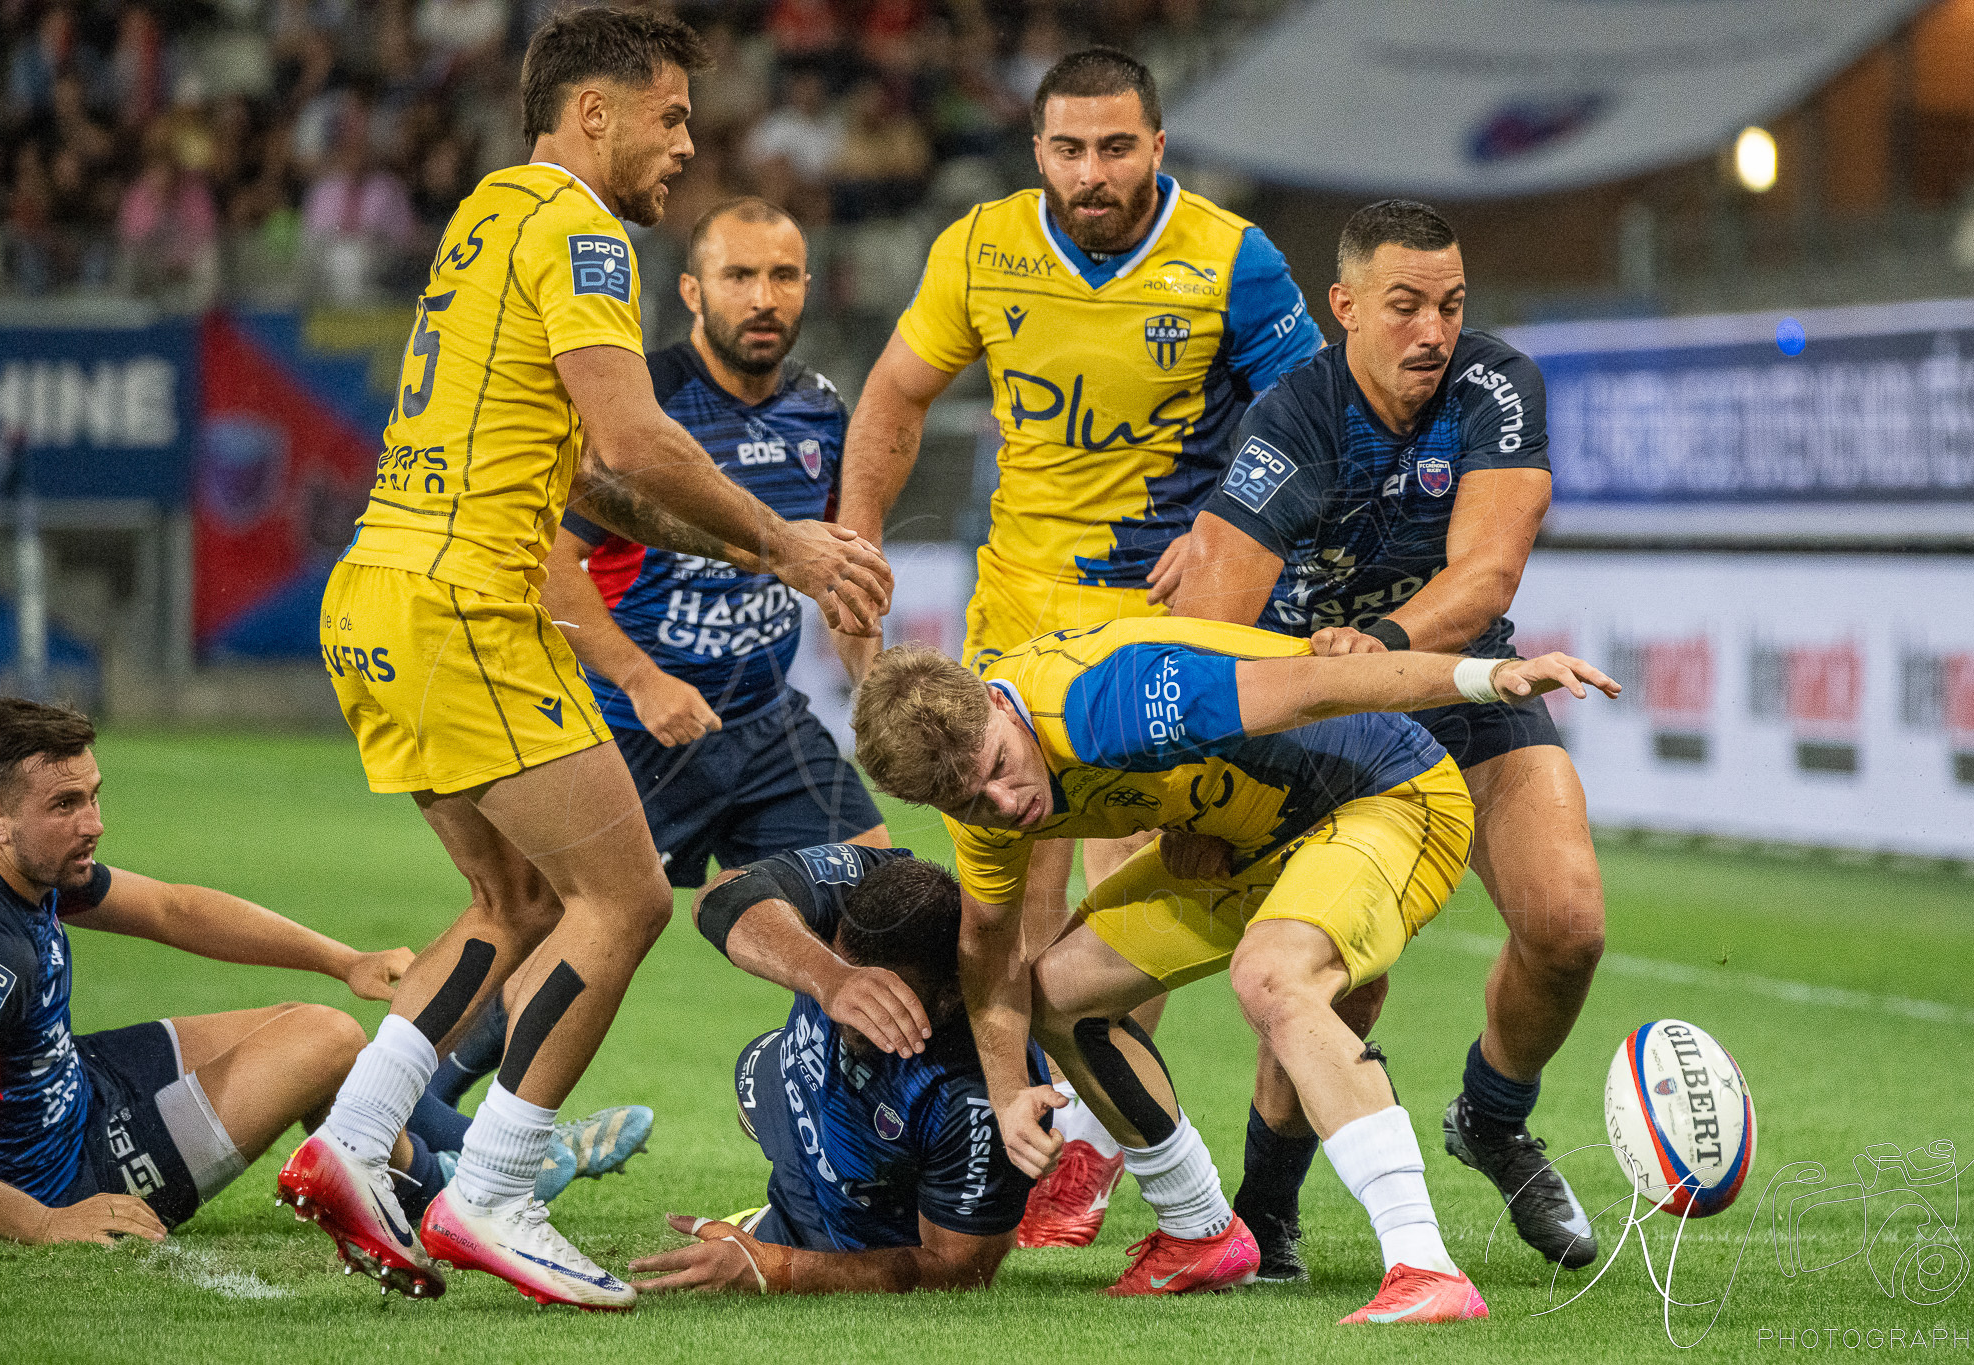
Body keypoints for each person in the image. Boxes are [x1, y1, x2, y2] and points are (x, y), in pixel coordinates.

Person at [281, 8, 891, 1312]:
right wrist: (786, 533)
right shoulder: (579, 227)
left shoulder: (487, 215)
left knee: (514, 907)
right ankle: (491, 1190)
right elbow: (636, 436)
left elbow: (596, 484)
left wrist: (761, 558)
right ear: (594, 111)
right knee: (622, 904)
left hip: (378, 597)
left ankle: (348, 1144)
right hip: (467, 605)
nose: (687, 145)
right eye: (671, 116)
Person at [838, 46, 1322, 1247]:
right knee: (1002, 911)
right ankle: (1041, 1129)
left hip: (1156, 631)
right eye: (1067, 148)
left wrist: (1227, 526)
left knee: (1132, 897)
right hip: (1010, 625)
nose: (1090, 172)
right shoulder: (981, 249)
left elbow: (1314, 423)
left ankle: (1115, 1157)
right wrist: (853, 539)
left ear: (1157, 146)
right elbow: (896, 395)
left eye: (1115, 147)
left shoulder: (1229, 260)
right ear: (1036, 150)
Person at [849, 618, 1619, 1323]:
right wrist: (1011, 1092)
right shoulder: (974, 784)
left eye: (1001, 768)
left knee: (1272, 974)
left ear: (998, 702)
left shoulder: (1109, 700)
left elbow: (1318, 685)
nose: (1005, 803)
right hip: (1244, 838)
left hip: (1386, 794)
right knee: (1056, 997)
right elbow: (989, 954)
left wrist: (1483, 678)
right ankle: (1201, 1232)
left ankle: (1425, 1264)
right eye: (968, 802)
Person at [1149, 200, 1605, 1275]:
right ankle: (1265, 1216)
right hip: (1322, 711)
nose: (1431, 331)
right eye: (1402, 306)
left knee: (1569, 923)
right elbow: (1208, 623)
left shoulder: (1495, 386)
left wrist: (1386, 644)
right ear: (1342, 308)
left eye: (1448, 305)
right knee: (1339, 977)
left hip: (1458, 679)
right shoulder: (1290, 422)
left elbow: (1486, 576)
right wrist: (1192, 796)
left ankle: (1490, 1119)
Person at [418, 196, 890, 1158]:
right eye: (739, 275)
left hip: (764, 724)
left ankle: (849, 1139)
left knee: (883, 907)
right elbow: (549, 559)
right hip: (632, 728)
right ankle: (416, 1117)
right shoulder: (645, 406)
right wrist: (639, 679)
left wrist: (878, 690)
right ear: (689, 291)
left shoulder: (822, 408)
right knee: (551, 926)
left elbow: (833, 571)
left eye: (784, 275)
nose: (764, 298)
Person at [0, 699, 417, 1250]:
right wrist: (42, 1223)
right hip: (59, 1178)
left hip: (78, 1083)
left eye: (93, 795)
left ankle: (435, 1174)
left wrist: (346, 961)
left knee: (294, 1028)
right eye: (65, 805)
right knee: (328, 1038)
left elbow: (173, 911)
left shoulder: (30, 868)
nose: (94, 824)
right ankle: (446, 1187)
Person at [623, 844, 1043, 1294]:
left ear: (948, 996)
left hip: (856, 1236)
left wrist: (777, 1269)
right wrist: (830, 977)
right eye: (854, 984)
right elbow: (723, 894)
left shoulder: (975, 1094)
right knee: (758, 1067)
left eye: (883, 1004)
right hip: (789, 1092)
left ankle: (784, 1227)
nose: (847, 1015)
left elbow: (959, 1270)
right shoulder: (866, 880)